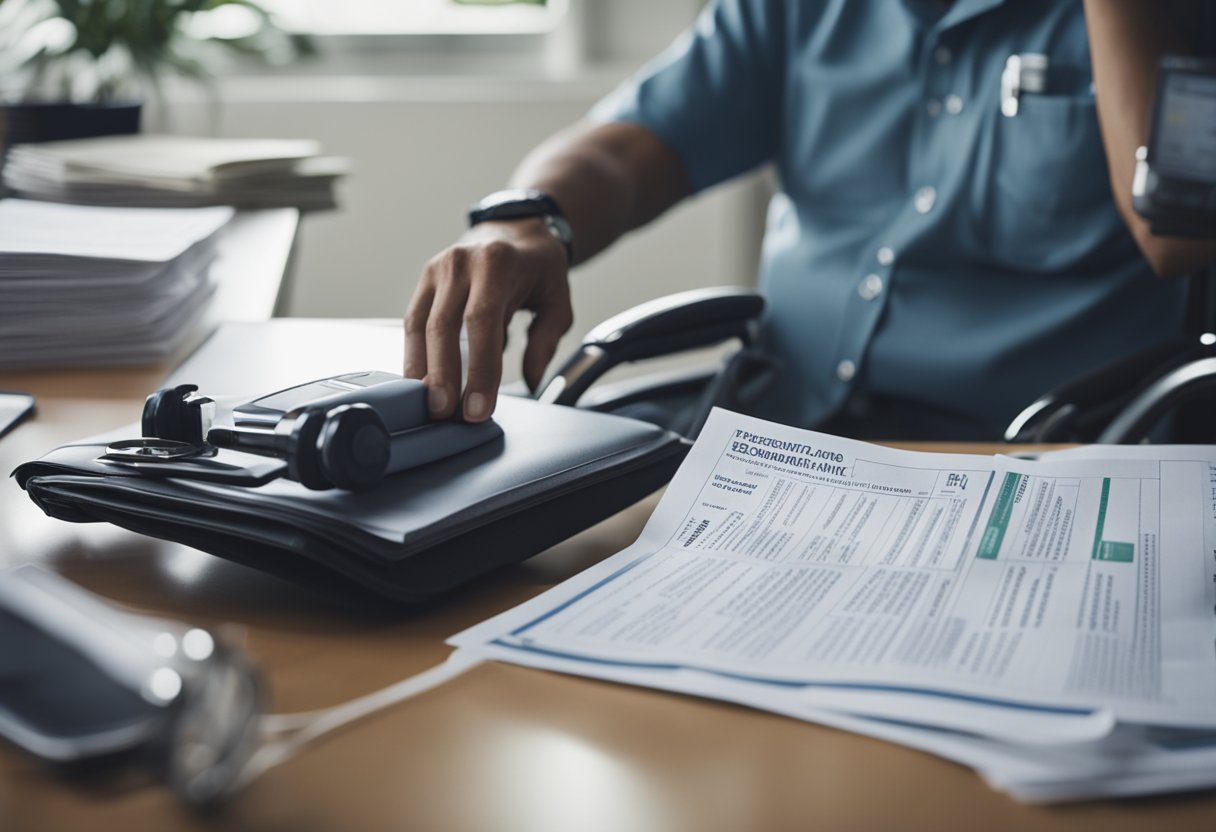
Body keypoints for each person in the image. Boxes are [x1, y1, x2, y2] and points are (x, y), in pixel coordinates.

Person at [404, 0, 1216, 440]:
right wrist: (522, 222)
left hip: (1021, 457)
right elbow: (630, 148)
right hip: (778, 425)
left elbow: (1178, 232)